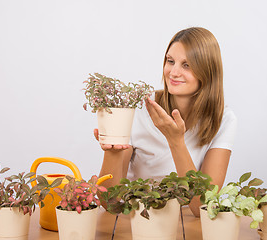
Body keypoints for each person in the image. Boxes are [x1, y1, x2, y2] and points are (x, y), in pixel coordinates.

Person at [94, 27, 237, 217]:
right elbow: (110, 202)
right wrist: (112, 151)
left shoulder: (224, 120)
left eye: (187, 65)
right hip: (140, 217)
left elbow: (202, 207)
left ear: (207, 71)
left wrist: (176, 141)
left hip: (188, 223)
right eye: (170, 61)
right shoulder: (141, 107)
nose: (174, 72)